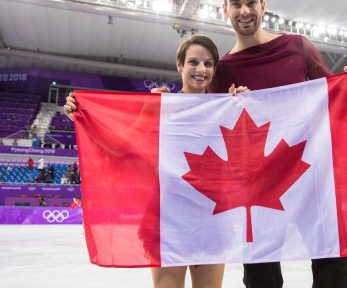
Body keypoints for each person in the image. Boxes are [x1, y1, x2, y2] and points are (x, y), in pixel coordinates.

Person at [205, 0, 347, 288]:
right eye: (236, 4)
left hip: (310, 173)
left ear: (263, 5)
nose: (245, 11)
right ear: (225, 9)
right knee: (261, 279)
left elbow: (334, 96)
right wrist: (160, 103)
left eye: (251, 2)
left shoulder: (297, 47)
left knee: (333, 269)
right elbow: (207, 123)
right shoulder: (223, 68)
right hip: (258, 185)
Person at [64, 34, 248, 288]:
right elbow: (120, 147)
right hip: (167, 218)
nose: (201, 69)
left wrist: (248, 107)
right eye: (193, 62)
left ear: (215, 69)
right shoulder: (159, 105)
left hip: (211, 216)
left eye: (208, 64)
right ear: (179, 65)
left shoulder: (227, 107)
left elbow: (246, 155)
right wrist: (82, 117)